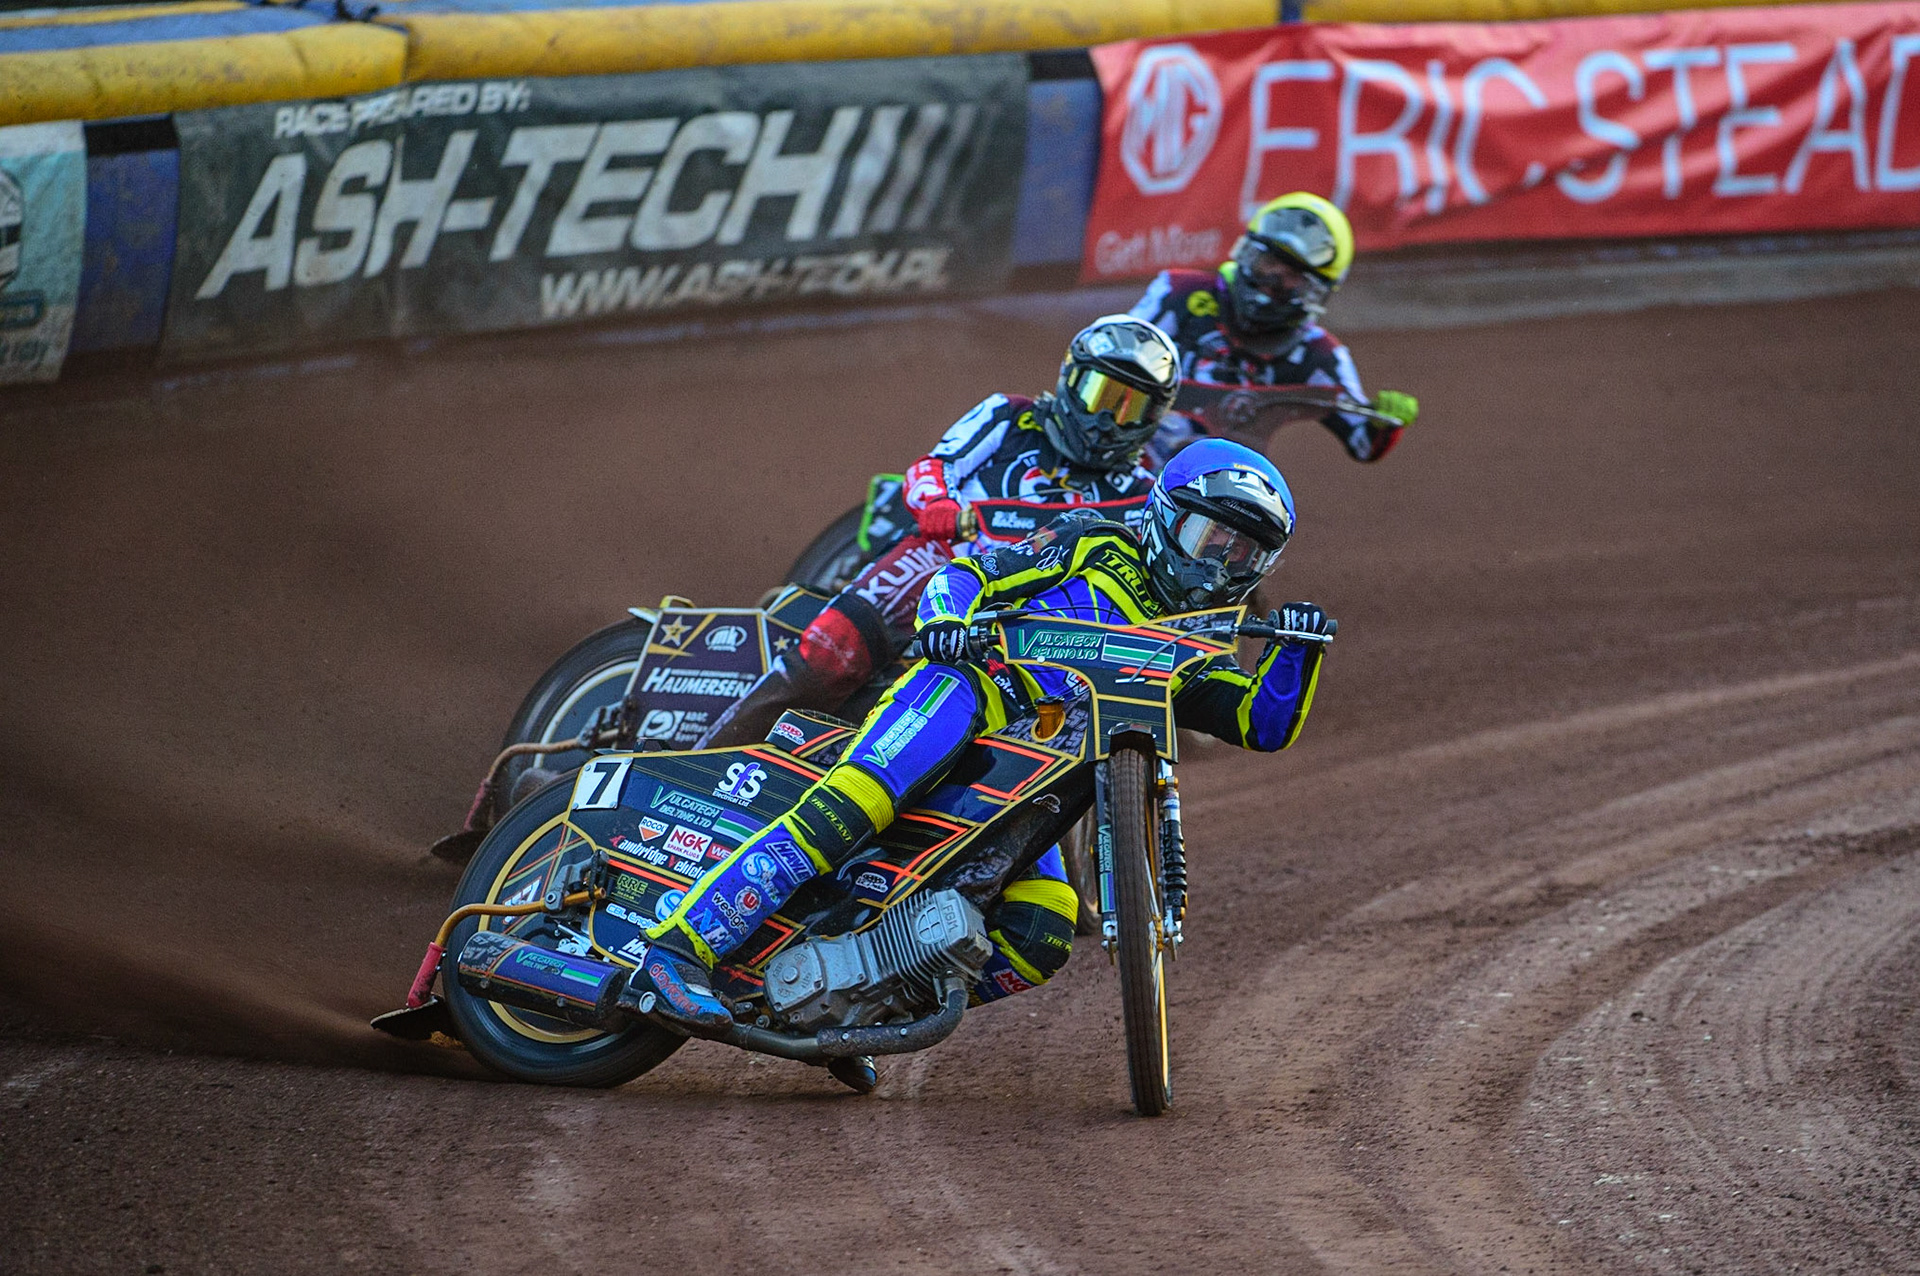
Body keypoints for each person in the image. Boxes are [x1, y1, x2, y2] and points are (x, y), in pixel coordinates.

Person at [620, 438, 1334, 1066]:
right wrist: (948, 622)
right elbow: (968, 576)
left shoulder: (1205, 638)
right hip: (969, 695)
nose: (1221, 563)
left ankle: (859, 1012)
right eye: (1213, 537)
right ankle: (678, 950)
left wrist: (1297, 655)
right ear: (1164, 516)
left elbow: (1258, 722)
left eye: (1244, 554)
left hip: (1041, 779)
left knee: (1044, 930)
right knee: (855, 807)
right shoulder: (1092, 541)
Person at [693, 314, 1181, 750]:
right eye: (1100, 395)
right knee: (830, 651)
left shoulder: (1140, 495)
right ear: (1072, 380)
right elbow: (933, 466)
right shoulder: (1011, 417)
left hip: (1029, 606)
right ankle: (706, 755)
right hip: (942, 560)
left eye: (1127, 408)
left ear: (1153, 418)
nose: (1105, 420)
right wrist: (941, 506)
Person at [1129, 191, 1418, 465]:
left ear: (1315, 291)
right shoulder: (1180, 295)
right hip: (1131, 462)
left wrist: (1383, 422)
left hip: (1215, 488)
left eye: (1292, 275)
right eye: (1270, 263)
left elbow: (1363, 443)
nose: (1274, 280)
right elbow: (1110, 352)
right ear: (1247, 255)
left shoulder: (1319, 355)